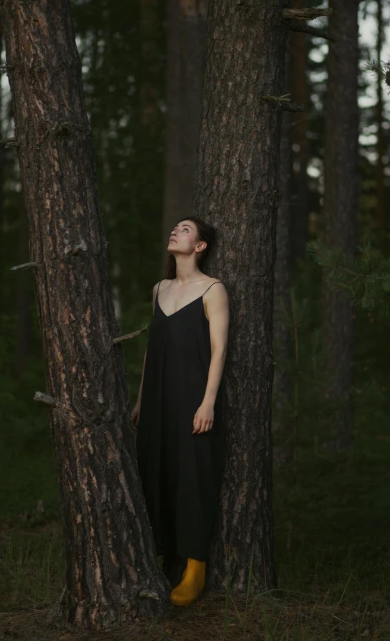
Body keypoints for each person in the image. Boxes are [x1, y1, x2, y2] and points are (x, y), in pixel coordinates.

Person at [132, 216, 229, 607]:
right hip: (157, 398)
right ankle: (163, 558)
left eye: (185, 229)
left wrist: (208, 401)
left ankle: (195, 568)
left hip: (193, 398)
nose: (175, 231)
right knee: (157, 469)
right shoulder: (159, 289)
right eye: (174, 227)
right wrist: (140, 400)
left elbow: (220, 349)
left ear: (201, 246)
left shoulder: (213, 289)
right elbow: (151, 354)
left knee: (193, 476)